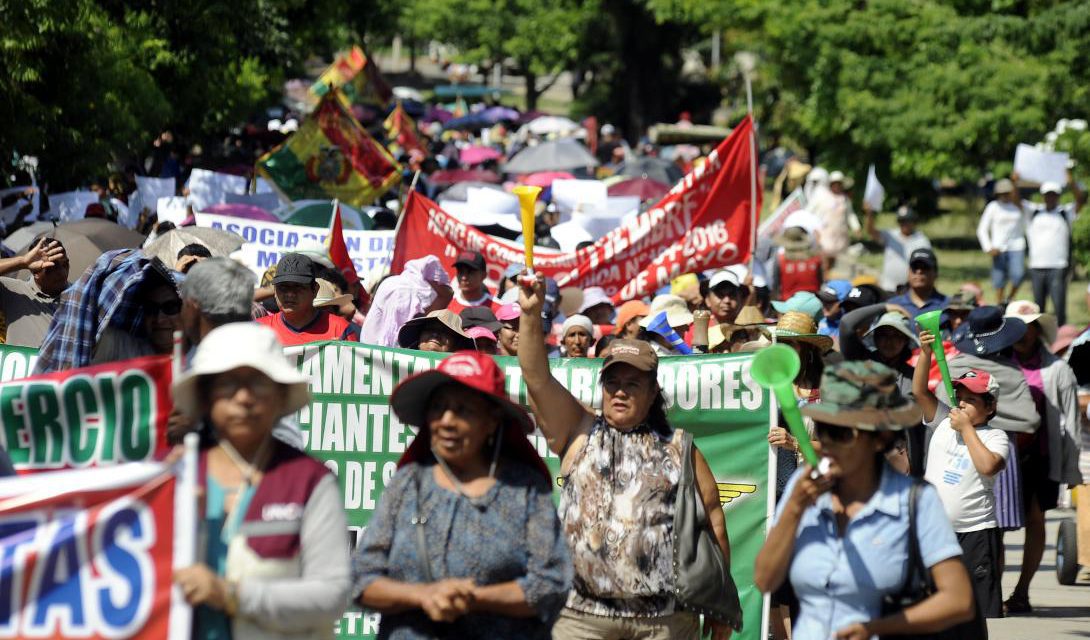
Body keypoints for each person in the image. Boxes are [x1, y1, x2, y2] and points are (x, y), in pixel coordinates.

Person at [517, 275, 739, 639]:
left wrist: (720, 605)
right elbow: (537, 377)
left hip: (664, 620)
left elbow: (713, 522)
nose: (619, 392)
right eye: (612, 382)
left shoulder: (680, 446)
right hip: (579, 617)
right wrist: (530, 314)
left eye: (632, 384)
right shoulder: (577, 431)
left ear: (653, 393)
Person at [351, 351, 572, 639]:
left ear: (492, 421)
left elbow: (552, 583)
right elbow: (361, 579)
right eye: (439, 408)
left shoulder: (524, 489)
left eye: (463, 410)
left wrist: (474, 598)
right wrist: (424, 595)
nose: (447, 421)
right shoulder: (407, 484)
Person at [754, 361, 975, 640]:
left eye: (842, 434)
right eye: (824, 430)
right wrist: (794, 509)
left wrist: (876, 629)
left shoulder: (915, 500)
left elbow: (958, 600)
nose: (828, 443)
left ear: (879, 439)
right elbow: (764, 580)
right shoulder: (802, 486)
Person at [171, 323, 351, 639]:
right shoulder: (175, 477)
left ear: (281, 395)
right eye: (227, 384)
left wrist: (231, 595)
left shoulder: (309, 480)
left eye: (258, 384)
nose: (243, 398)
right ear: (205, 395)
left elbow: (332, 595)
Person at [915, 334, 1009, 621]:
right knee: (931, 607)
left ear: (990, 407)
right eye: (960, 398)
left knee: (973, 611)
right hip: (933, 531)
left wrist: (967, 428)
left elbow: (988, 466)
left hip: (975, 533)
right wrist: (925, 353)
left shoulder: (996, 436)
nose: (963, 404)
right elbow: (920, 392)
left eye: (972, 400)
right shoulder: (944, 422)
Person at [1003, 300, 1084, 614]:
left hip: (1038, 456)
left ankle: (1022, 591)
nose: (1022, 334)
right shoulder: (997, 362)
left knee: (1036, 520)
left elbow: (1071, 424)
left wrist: (1070, 469)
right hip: (1000, 454)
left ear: (1037, 330)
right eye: (1016, 328)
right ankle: (991, 591)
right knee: (994, 526)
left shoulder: (1057, 369)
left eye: (1028, 327)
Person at [256, 253, 357, 345]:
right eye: (283, 287)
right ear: (274, 290)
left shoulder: (340, 330)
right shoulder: (258, 329)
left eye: (298, 287)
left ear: (315, 290)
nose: (290, 294)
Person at [1024, 177, 1084, 325]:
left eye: (1054, 194)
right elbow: (1015, 200)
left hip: (1058, 265)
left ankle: (1062, 334)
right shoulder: (1034, 211)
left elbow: (1081, 200)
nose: (1050, 198)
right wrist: (1014, 181)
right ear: (1043, 196)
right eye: (1048, 194)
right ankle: (1039, 337)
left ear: (1058, 196)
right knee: (1038, 307)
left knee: (1059, 305)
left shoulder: (1065, 212)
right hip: (1037, 265)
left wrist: (1071, 182)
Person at [362, 256, 452, 347]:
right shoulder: (399, 289)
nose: (405, 312)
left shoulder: (416, 316)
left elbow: (447, 296)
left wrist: (423, 274)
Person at [0, 237, 68, 347]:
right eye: (52, 267)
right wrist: (22, 262)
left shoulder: (80, 296)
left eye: (65, 264)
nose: (62, 273)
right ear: (35, 272)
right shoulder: (13, 291)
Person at [178, 258, 256, 347]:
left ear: (193, 304)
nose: (181, 312)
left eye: (183, 303)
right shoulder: (265, 345)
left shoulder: (209, 358)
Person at [977, 178, 1027, 303]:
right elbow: (982, 229)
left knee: (1018, 275)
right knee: (999, 280)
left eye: (1007, 192)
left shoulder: (1019, 207)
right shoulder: (993, 207)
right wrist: (988, 247)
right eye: (1002, 193)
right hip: (998, 248)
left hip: (1017, 246)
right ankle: (1000, 304)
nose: (1005, 195)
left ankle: (1010, 298)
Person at [866, 205, 931, 293]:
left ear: (913, 221)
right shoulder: (891, 235)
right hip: (888, 287)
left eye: (907, 221)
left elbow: (928, 266)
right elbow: (871, 232)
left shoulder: (922, 241)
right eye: (901, 221)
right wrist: (869, 214)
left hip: (910, 291)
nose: (904, 224)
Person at [887, 248, 947, 319]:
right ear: (908, 271)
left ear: (935, 273)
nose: (919, 271)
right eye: (915, 267)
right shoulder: (893, 305)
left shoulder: (948, 306)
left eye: (924, 267)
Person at [771, 226, 822, 301]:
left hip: (788, 304)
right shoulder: (816, 258)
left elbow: (775, 284)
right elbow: (821, 281)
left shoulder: (780, 259)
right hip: (813, 302)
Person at [398, 310, 475, 353]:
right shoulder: (400, 365)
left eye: (445, 331)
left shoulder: (460, 378)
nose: (435, 335)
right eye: (430, 329)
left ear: (457, 345)